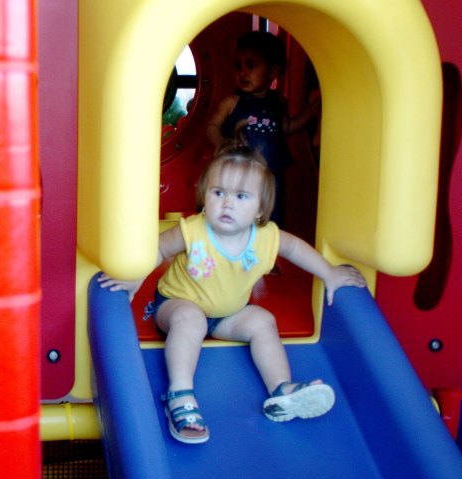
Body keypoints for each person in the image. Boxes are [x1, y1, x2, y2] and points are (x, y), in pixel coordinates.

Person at [97, 146, 366, 444]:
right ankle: (180, 395)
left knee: (262, 321)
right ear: (204, 196)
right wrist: (134, 277)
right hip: (175, 306)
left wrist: (328, 272)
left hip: (227, 316)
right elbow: (158, 249)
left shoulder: (266, 238)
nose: (227, 204)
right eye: (218, 193)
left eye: (241, 197)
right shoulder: (193, 230)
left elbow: (294, 249)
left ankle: (282, 390)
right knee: (191, 319)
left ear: (260, 209)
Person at [204, 30, 320, 225]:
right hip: (239, 173)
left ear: (273, 72)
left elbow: (288, 127)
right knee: (237, 215)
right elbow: (212, 125)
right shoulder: (232, 102)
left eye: (251, 66)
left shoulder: (277, 103)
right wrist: (222, 143)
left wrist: (313, 110)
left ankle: (267, 248)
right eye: (238, 66)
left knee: (271, 217)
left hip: (270, 175)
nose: (242, 72)